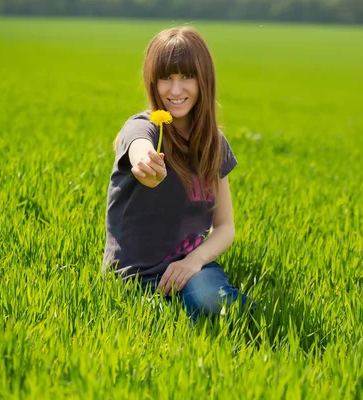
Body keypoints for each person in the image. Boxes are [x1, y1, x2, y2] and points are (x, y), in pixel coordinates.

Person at [102, 26, 256, 323]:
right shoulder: (142, 127)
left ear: (204, 80)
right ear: (152, 82)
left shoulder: (214, 145)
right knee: (157, 320)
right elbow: (139, 147)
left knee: (213, 306)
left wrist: (194, 261)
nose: (175, 90)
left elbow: (225, 227)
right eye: (165, 78)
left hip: (191, 269)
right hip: (134, 279)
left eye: (187, 77)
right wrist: (146, 164)